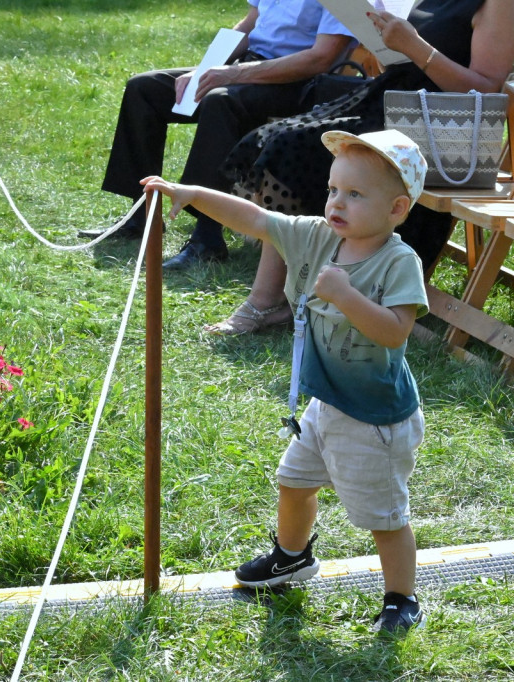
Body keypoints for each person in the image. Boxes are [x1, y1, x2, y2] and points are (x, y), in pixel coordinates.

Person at [143, 128, 431, 636]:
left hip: (374, 418)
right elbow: (254, 218)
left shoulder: (397, 261)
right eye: (332, 190)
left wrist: (345, 296)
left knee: (384, 518)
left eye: (355, 194)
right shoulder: (319, 236)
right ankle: (291, 558)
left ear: (397, 209)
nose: (337, 203)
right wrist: (190, 195)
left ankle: (401, 598)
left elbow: (395, 331)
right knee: (294, 483)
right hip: (325, 405)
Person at [207, 0, 514, 335]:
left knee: (294, 148)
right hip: (396, 104)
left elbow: (486, 88)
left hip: (435, 132)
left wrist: (416, 48)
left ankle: (269, 300)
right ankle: (288, 290)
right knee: (283, 140)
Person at [87, 0, 353, 270]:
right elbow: (249, 24)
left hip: (299, 83)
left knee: (220, 101)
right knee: (143, 89)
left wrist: (232, 74)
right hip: (251, 68)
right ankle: (142, 215)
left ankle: (208, 237)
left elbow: (321, 58)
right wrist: (206, 70)